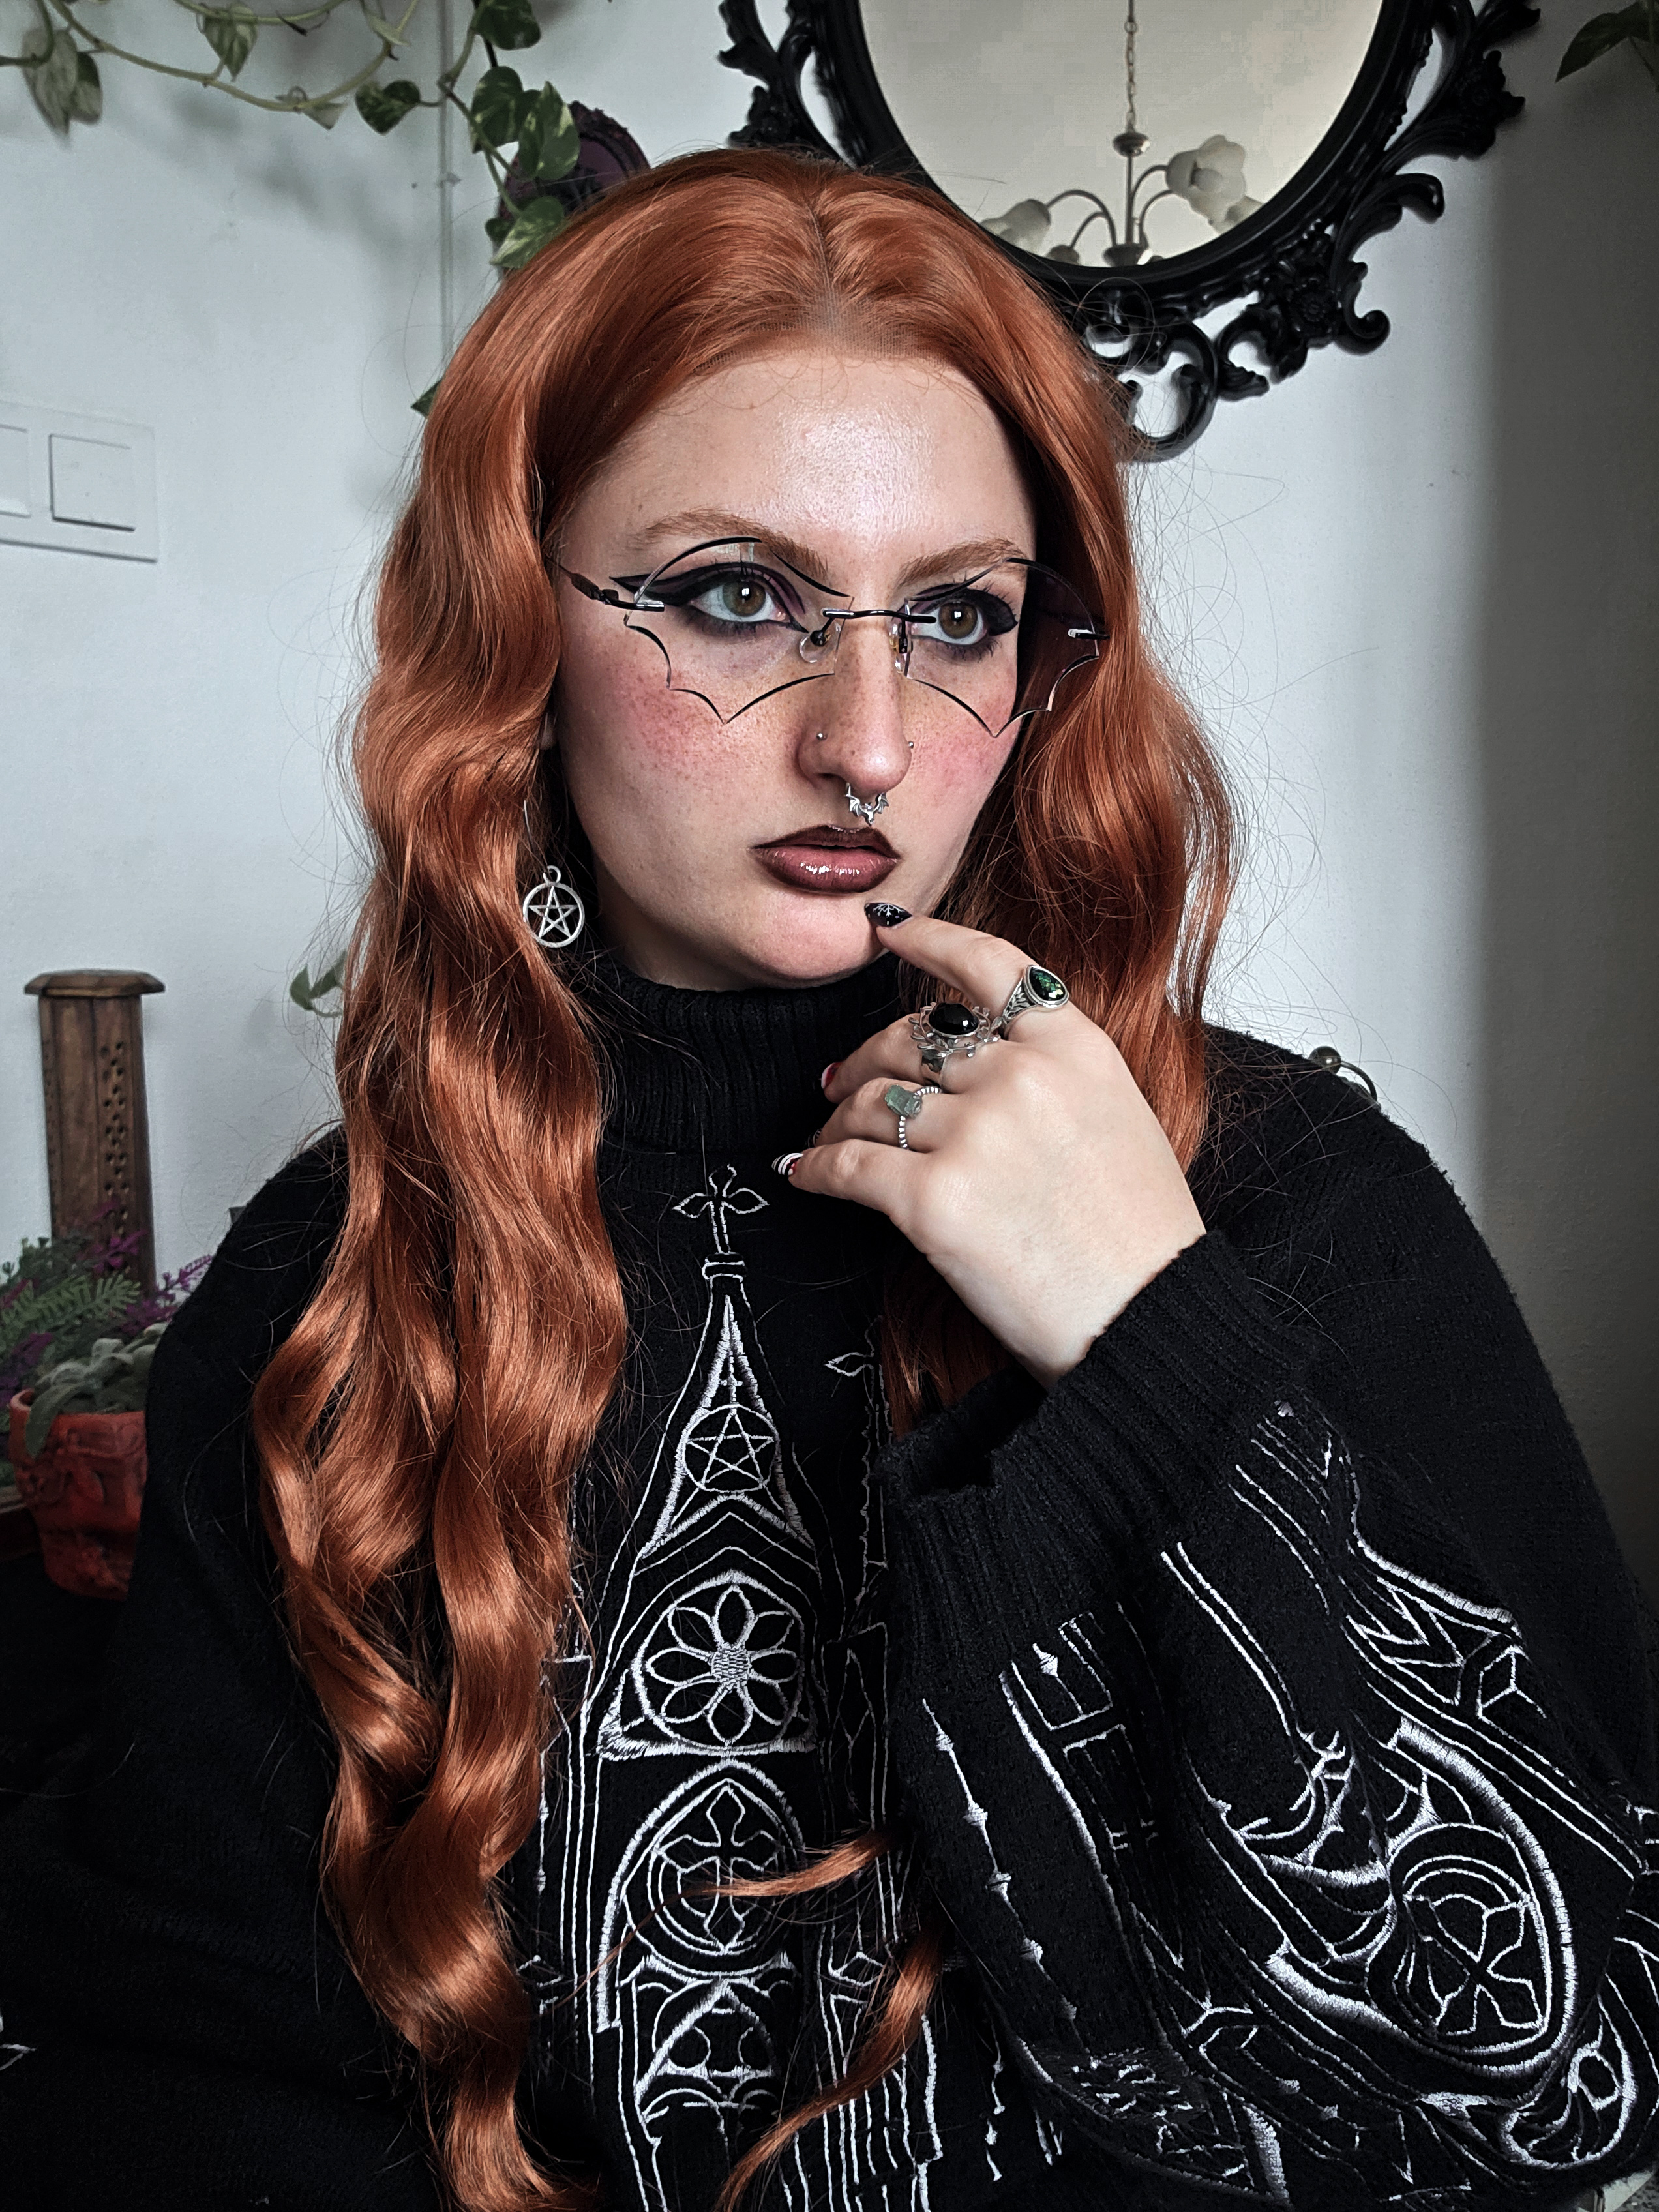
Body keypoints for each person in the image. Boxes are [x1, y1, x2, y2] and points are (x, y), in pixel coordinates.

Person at [2, 148, 1656, 2212]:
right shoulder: (333, 1274)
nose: (867, 740)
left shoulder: (1293, 1199)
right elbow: (180, 2068)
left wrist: (1151, 1345)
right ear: (517, 623)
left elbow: (1572, 2069)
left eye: (957, 617)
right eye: (733, 595)